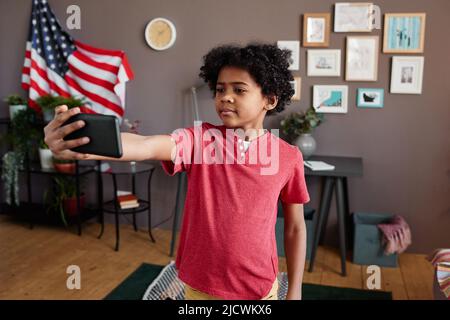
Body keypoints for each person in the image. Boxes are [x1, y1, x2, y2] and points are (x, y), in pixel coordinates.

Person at [44, 43, 310, 300]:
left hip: (260, 288)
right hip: (203, 287)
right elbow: (146, 145)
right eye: (219, 90)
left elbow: (296, 228)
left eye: (239, 90)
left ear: (270, 100)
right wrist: (83, 145)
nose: (225, 97)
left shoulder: (288, 157)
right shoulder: (199, 140)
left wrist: (295, 289)